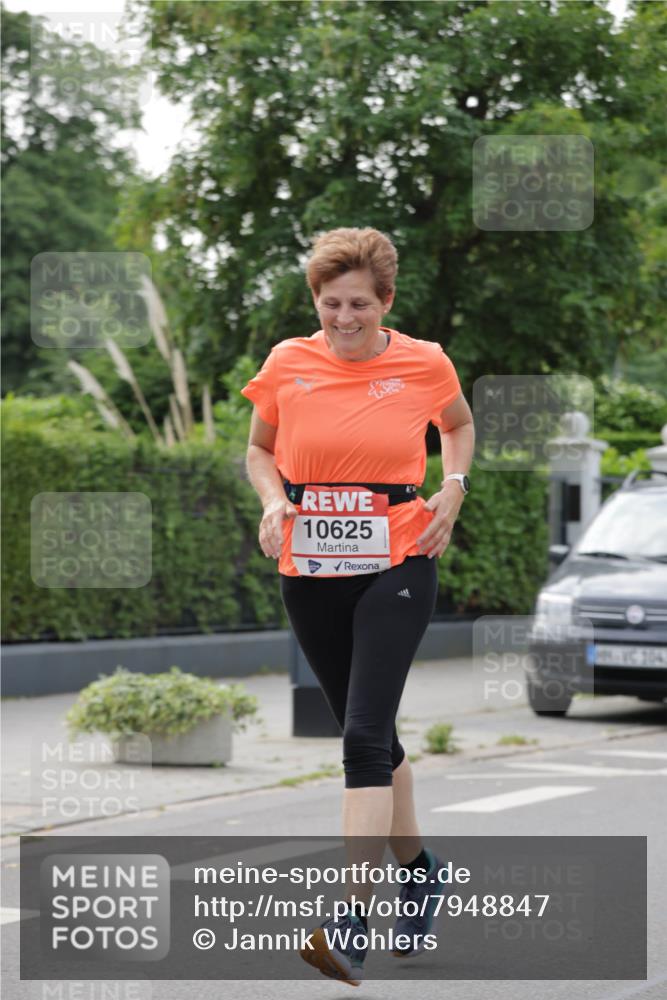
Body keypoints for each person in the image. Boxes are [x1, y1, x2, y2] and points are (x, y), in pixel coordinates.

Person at [240, 226, 474, 986]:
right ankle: (421, 872)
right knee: (370, 735)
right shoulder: (286, 361)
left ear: (386, 304)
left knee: (364, 738)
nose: (343, 319)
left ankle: (349, 921)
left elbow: (458, 426)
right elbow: (258, 449)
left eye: (359, 306)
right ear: (316, 300)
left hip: (400, 555)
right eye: (330, 304)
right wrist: (274, 500)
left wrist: (453, 485)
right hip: (308, 562)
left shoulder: (424, 360)